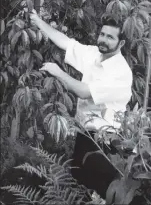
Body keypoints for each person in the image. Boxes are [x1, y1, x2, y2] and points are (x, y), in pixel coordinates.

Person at [30, 11, 133, 199]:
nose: (103, 39)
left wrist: (58, 72)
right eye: (102, 34)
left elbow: (84, 91)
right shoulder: (95, 54)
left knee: (101, 192)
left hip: (106, 140)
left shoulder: (121, 73)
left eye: (110, 37)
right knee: (78, 188)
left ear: (121, 43)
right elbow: (65, 42)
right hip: (84, 135)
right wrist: (38, 21)